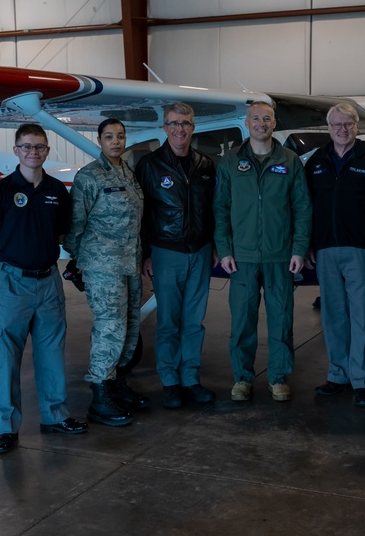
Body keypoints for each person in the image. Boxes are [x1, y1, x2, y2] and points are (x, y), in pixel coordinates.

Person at [0, 123, 88, 456]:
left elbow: (65, 235)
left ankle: (55, 415)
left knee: (52, 351)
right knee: (8, 355)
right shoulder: (1, 191)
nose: (32, 152)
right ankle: (7, 428)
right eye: (26, 147)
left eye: (39, 147)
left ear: (47, 151)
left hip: (49, 281)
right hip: (14, 283)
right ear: (16, 150)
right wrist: (7, 266)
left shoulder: (56, 190)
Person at [214, 101, 312, 402]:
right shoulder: (230, 162)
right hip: (241, 256)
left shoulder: (290, 160)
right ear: (247, 122)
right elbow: (220, 209)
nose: (261, 123)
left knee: (281, 318)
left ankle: (278, 377)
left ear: (274, 123)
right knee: (242, 320)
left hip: (279, 254)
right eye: (255, 118)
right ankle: (243, 378)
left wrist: (299, 249)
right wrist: (224, 248)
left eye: (266, 119)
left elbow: (302, 208)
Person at [305, 102, 365, 408]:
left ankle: (362, 380)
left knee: (363, 317)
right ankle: (338, 375)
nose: (342, 130)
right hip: (326, 251)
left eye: (348, 125)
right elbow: (305, 206)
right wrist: (306, 244)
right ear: (328, 129)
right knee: (333, 317)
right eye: (336, 125)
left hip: (362, 250)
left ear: (356, 127)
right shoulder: (317, 161)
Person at [64, 118, 148, 428]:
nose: (116, 141)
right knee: (110, 326)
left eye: (121, 136)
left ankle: (117, 384)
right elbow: (75, 224)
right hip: (102, 265)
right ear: (99, 140)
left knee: (130, 324)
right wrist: (79, 261)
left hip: (129, 263)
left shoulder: (128, 174)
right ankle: (99, 394)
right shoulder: (89, 176)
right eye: (109, 136)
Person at [135, 103, 218, 408]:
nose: (180, 129)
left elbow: (213, 210)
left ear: (193, 128)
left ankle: (191, 379)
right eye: (173, 123)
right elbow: (141, 214)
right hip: (165, 251)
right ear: (165, 128)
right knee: (169, 321)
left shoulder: (206, 165)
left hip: (200, 251)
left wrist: (215, 245)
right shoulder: (149, 165)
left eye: (185, 123)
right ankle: (169, 380)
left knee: (194, 321)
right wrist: (145, 254)